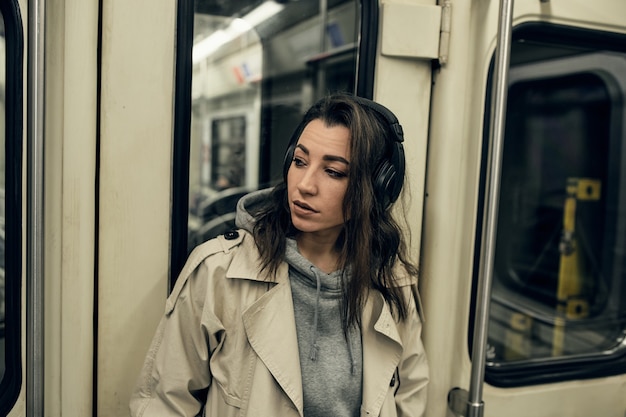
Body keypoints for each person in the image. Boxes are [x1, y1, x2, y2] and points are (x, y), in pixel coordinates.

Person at [130, 93, 429, 417]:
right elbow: (164, 403)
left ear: (377, 187)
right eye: (300, 162)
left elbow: (409, 394)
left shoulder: (391, 281)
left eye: (333, 171)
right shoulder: (220, 272)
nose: (304, 184)